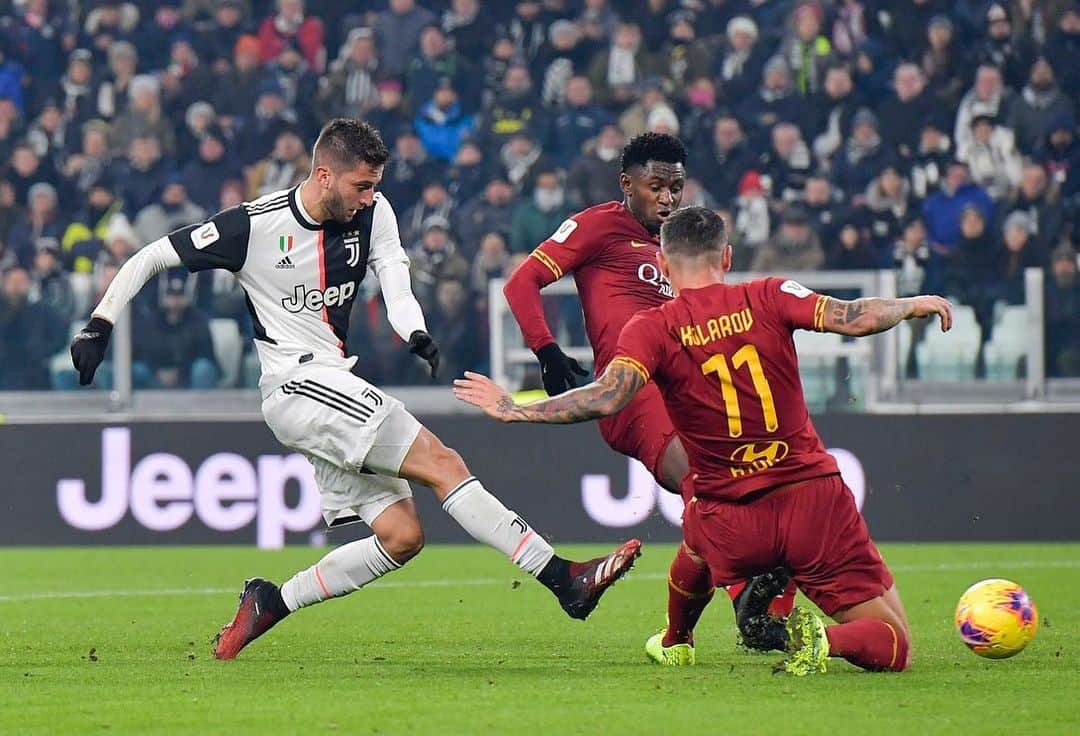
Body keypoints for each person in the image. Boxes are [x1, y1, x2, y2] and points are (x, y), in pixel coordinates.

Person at [69, 118, 639, 660]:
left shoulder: (375, 209)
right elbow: (151, 255)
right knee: (444, 462)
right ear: (323, 175)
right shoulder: (253, 225)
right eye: (361, 186)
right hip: (297, 382)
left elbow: (392, 268)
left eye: (375, 186)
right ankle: (563, 577)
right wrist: (100, 324)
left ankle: (272, 600)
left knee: (402, 536)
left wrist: (412, 327)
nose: (370, 197)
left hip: (330, 384)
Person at [458, 206, 955, 675]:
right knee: (894, 640)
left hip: (729, 519)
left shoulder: (651, 327)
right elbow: (856, 317)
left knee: (696, 540)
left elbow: (606, 397)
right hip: (812, 501)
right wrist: (912, 304)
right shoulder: (770, 294)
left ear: (661, 262)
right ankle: (823, 640)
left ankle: (676, 641)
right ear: (727, 256)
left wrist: (515, 409)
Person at [501, 133, 794, 663]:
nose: (667, 198)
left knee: (747, 486)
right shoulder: (596, 226)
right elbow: (520, 283)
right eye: (656, 186)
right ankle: (747, 598)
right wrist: (546, 351)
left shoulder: (682, 244)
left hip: (690, 389)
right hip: (633, 391)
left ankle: (687, 636)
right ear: (627, 184)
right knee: (703, 482)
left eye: (675, 188)